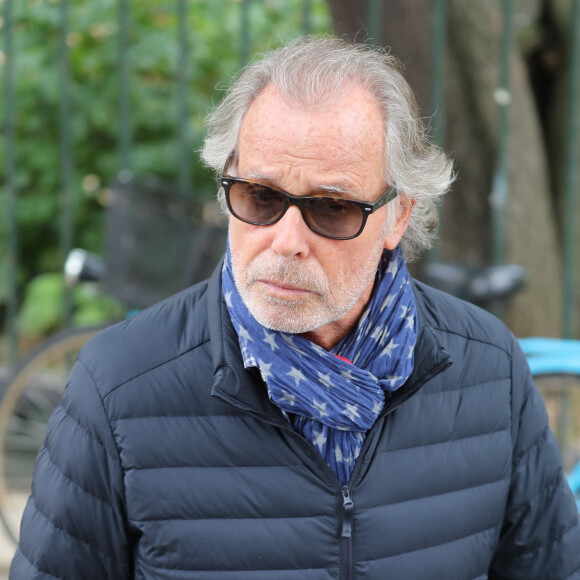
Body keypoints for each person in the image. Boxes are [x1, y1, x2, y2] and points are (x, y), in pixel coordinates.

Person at [12, 36, 580, 580]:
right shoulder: (117, 386)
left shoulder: (491, 370)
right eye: (260, 196)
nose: (286, 241)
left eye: (331, 208)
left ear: (398, 216)